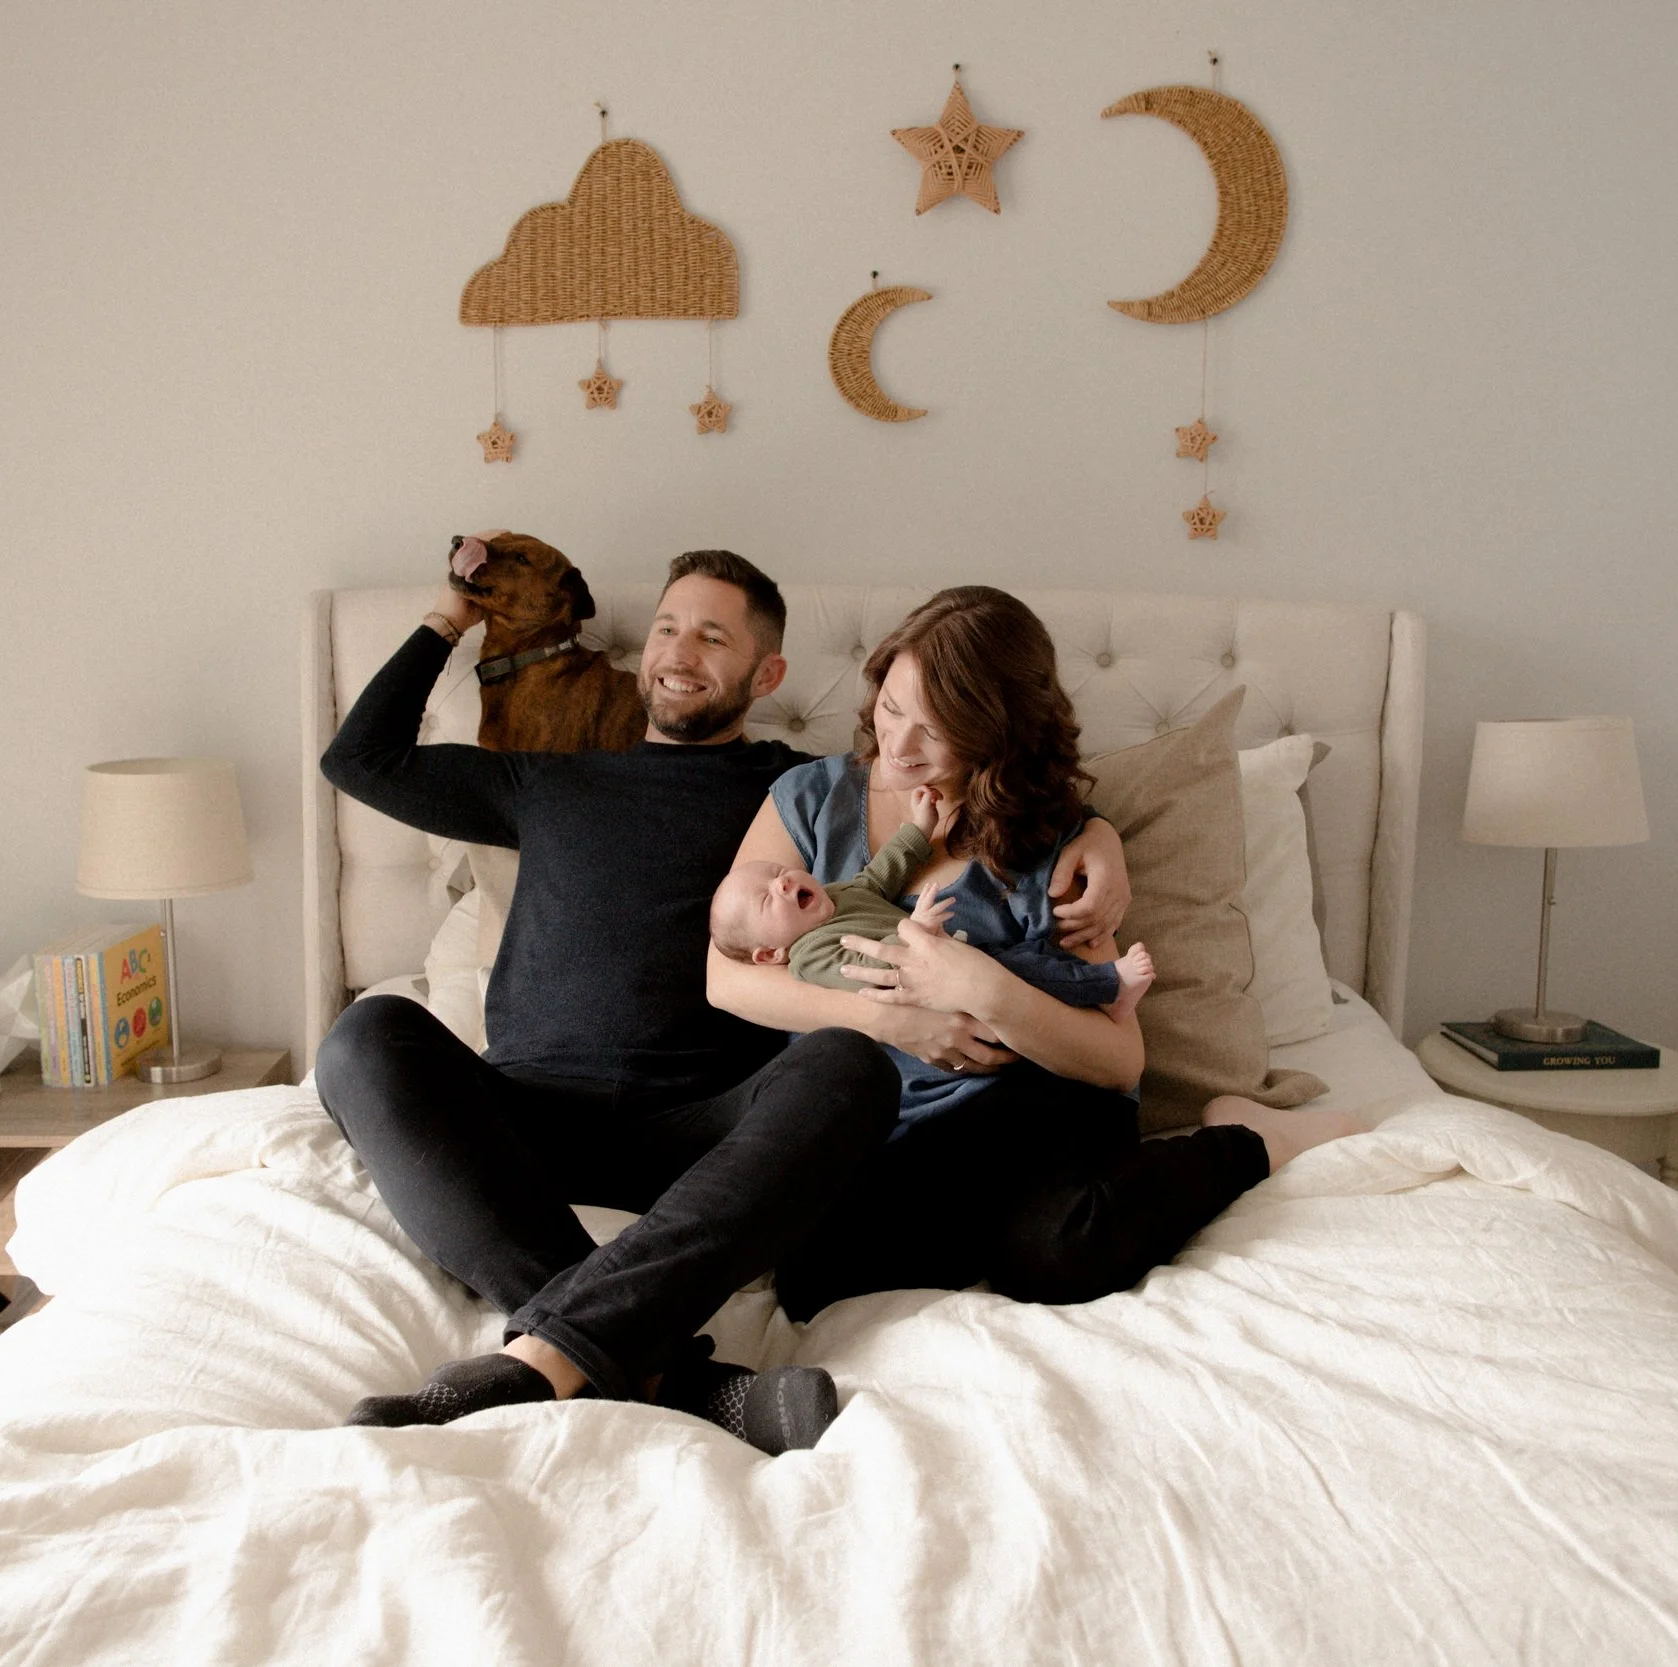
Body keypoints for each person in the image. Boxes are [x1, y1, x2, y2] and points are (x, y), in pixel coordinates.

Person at [313, 547, 1133, 1453]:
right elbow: (360, 759)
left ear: (767, 673)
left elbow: (968, 777)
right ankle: (672, 1374)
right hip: (528, 1114)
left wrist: (1097, 830)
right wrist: (448, 619)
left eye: (713, 636)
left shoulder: (793, 787)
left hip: (717, 1139)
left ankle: (583, 1351)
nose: (678, 651)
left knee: (847, 1066)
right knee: (365, 1035)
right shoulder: (548, 779)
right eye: (665, 627)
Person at [710, 585, 1364, 1320]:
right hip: (896, 1117)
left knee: (1058, 1256)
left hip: (1037, 1096)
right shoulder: (807, 800)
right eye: (892, 708)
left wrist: (981, 985)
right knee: (812, 1279)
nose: (897, 747)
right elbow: (723, 975)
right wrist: (892, 1022)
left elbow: (1118, 1060)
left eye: (936, 730)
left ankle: (1247, 1140)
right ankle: (1011, 1223)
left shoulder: (1048, 843)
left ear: (997, 734)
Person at [708, 782, 1156, 1024]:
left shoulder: (839, 896)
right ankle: (1108, 986)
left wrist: (918, 828)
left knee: (1031, 959)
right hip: (938, 989)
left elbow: (880, 874)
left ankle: (1100, 994)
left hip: (960, 960)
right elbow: (870, 973)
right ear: (770, 954)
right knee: (1024, 974)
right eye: (769, 899)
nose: (784, 882)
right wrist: (915, 933)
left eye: (777, 873)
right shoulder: (809, 955)